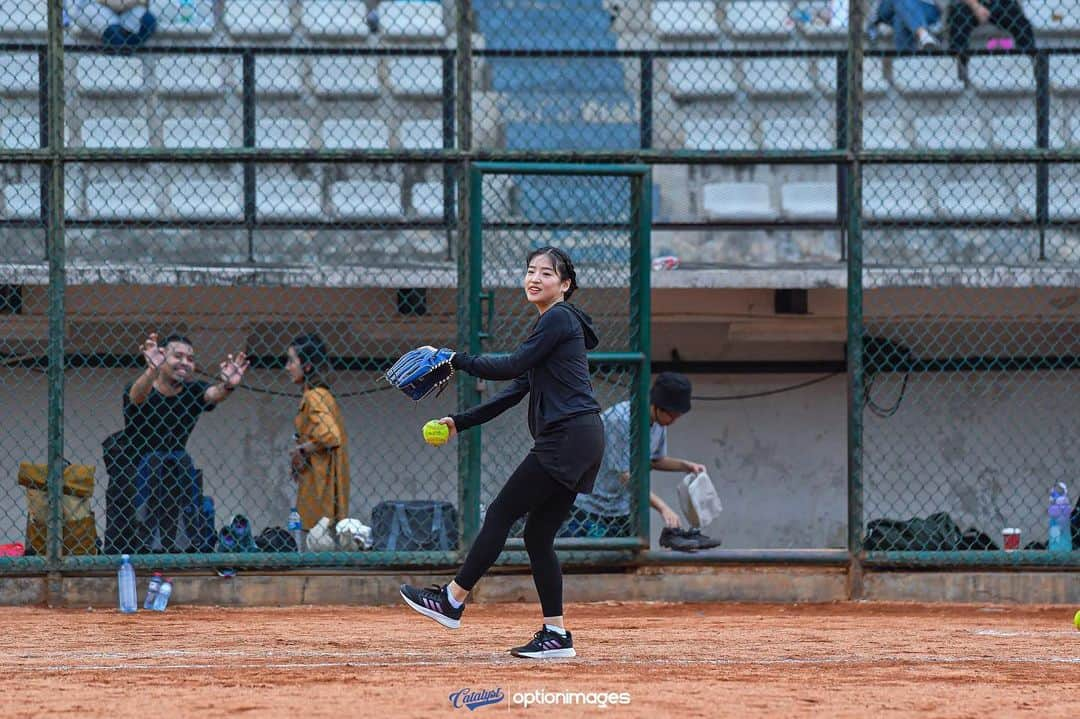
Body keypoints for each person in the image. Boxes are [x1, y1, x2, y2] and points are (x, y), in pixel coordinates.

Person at [399, 246, 604, 660]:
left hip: (566, 438)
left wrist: (456, 359)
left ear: (565, 285)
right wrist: (460, 421)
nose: (534, 279)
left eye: (546, 273)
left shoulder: (559, 318)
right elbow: (513, 391)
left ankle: (452, 600)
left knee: (500, 512)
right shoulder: (554, 327)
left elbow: (511, 365)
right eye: (530, 271)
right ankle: (556, 635)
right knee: (537, 535)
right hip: (581, 438)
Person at [103, 333, 248, 554]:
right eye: (177, 356)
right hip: (134, 479)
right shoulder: (143, 386)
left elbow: (213, 394)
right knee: (127, 549)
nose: (185, 363)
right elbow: (136, 396)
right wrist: (151, 370)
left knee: (175, 546)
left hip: (172, 480)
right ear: (162, 357)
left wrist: (228, 385)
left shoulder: (193, 391)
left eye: (190, 359)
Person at [563, 372, 721, 550]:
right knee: (584, 563)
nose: (674, 420)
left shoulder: (659, 422)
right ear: (657, 406)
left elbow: (655, 460)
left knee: (624, 564)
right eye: (672, 415)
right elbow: (626, 476)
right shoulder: (621, 420)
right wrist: (663, 508)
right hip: (589, 505)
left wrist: (686, 466)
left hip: (621, 508)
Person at [285, 333, 350, 548]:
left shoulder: (313, 396)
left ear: (308, 366)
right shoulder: (322, 395)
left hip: (320, 488)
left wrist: (300, 450)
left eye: (292, 361)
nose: (287, 367)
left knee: (315, 546)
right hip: (322, 484)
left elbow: (330, 435)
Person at [946, 0, 1035, 58]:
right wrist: (975, 6)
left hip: (1000, 3)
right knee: (959, 17)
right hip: (969, 3)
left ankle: (1029, 58)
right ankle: (959, 62)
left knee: (1020, 22)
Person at [68, 0, 158, 52]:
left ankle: (128, 52)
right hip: (92, 4)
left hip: (126, 6)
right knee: (114, 34)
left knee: (148, 21)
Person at [868, 0, 944, 50]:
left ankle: (905, 58)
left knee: (900, 17)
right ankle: (923, 35)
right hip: (888, 6)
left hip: (925, 7)